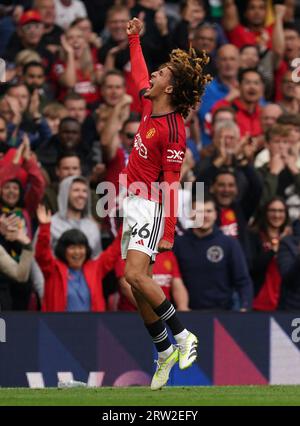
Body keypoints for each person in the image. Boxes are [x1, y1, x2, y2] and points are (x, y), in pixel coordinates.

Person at [121, 17, 210, 391]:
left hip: (152, 206)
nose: (152, 76)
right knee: (134, 284)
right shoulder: (149, 107)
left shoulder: (174, 129)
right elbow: (140, 73)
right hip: (131, 202)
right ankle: (163, 352)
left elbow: (172, 185)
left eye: (159, 74)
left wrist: (169, 232)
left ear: (169, 87)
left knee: (138, 277)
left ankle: (183, 335)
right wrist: (135, 40)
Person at [35, 197, 120, 312]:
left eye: (81, 247)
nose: (77, 252)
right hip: (56, 328)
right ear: (63, 250)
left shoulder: (95, 268)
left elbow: (114, 251)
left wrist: (128, 228)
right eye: (72, 248)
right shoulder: (53, 269)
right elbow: (41, 254)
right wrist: (44, 228)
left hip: (89, 328)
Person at [174, 194, 253, 310]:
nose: (205, 216)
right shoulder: (178, 244)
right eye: (200, 211)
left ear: (216, 214)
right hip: (186, 315)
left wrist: (245, 307)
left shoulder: (229, 244)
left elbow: (243, 281)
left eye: (209, 211)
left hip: (223, 315)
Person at [249, 197, 290, 311]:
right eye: (272, 210)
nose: (277, 215)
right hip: (259, 302)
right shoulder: (253, 236)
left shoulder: (291, 239)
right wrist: (273, 250)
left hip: (285, 303)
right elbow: (251, 267)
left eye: (281, 211)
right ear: (265, 212)